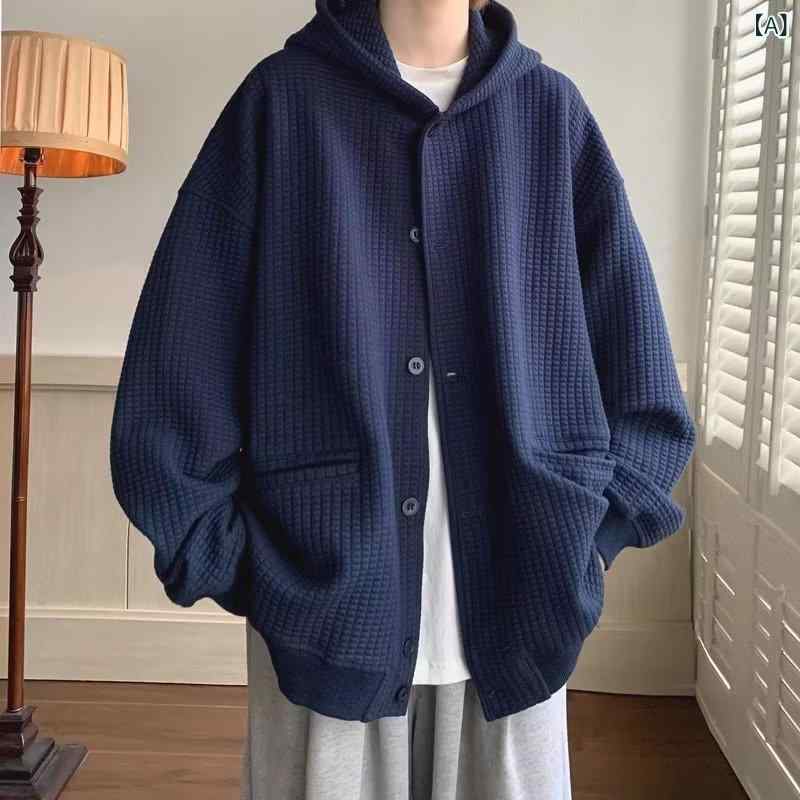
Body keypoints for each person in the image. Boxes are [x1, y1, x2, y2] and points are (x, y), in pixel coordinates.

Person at [109, 0, 697, 798]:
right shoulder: (281, 104)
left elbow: (643, 381)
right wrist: (242, 569)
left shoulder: (550, 115)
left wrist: (585, 544)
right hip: (324, 601)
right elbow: (177, 370)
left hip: (523, 593)